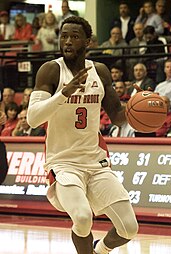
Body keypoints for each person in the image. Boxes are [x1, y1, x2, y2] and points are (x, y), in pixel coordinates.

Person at [27, 16, 138, 254]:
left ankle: (100, 251)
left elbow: (117, 115)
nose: (67, 41)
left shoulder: (100, 71)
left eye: (74, 37)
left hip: (95, 161)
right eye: (63, 36)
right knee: (82, 217)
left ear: (88, 42)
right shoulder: (51, 71)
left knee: (129, 228)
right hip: (63, 162)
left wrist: (137, 106)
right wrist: (63, 94)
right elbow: (33, 119)